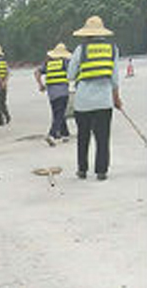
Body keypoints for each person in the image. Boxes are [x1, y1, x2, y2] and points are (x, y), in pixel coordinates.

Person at [68, 16, 122, 181]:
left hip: (83, 102)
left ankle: (82, 170)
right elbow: (114, 78)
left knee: (83, 137)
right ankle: (101, 171)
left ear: (86, 33)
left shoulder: (81, 49)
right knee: (103, 138)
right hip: (104, 101)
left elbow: (70, 75)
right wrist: (117, 99)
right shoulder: (113, 49)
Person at [35, 43, 72, 146]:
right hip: (63, 92)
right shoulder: (65, 61)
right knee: (59, 114)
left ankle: (65, 134)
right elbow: (72, 72)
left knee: (58, 113)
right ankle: (52, 134)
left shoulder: (48, 63)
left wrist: (40, 84)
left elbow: (37, 72)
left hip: (52, 94)